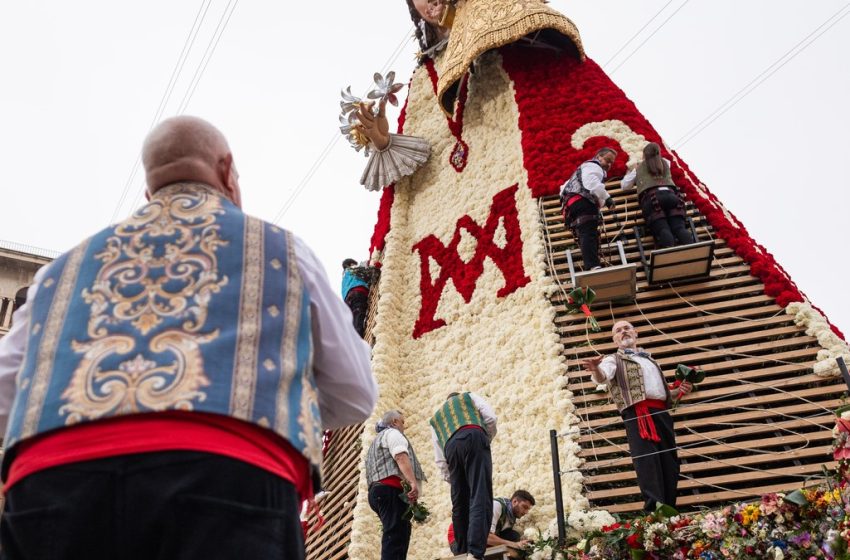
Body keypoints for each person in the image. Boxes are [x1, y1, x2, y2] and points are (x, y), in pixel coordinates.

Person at [0, 116, 378, 560]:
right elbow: (355, 391)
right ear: (226, 172)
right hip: (228, 478)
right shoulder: (283, 251)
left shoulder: (55, 274)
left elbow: (6, 397)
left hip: (53, 487)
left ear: (149, 191)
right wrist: (271, 400)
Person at [582, 321, 692, 512]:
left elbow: (659, 392)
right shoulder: (613, 359)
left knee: (670, 462)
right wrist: (596, 369)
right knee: (647, 463)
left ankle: (669, 509)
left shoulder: (650, 359)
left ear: (636, 333)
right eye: (618, 330)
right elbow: (603, 377)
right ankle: (654, 511)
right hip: (638, 415)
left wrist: (678, 391)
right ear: (615, 339)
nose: (623, 332)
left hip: (662, 414)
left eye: (627, 328)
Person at [430, 391, 497, 560]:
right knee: (480, 494)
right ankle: (474, 552)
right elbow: (490, 418)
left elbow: (439, 457)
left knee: (459, 502)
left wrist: (452, 479)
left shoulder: (436, 418)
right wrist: (485, 439)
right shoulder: (469, 397)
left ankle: (461, 551)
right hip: (474, 436)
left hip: (451, 449)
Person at [365, 410, 428, 560]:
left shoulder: (375, 443)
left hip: (377, 493)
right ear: (394, 422)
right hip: (390, 490)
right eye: (402, 422)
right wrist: (412, 482)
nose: (403, 426)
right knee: (395, 536)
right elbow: (400, 456)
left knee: (397, 534)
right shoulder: (392, 434)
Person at [621, 142, 695, 249]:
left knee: (663, 229)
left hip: (652, 198)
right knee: (679, 228)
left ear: (644, 155)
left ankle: (670, 253)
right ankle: (693, 250)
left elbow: (624, 186)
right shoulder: (666, 162)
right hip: (672, 196)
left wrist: (632, 170)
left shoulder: (638, 168)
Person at [560, 148, 618, 270]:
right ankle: (593, 266)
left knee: (586, 233)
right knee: (589, 233)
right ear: (598, 156)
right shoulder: (594, 166)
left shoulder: (582, 169)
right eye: (607, 160)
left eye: (611, 162)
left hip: (572, 205)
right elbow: (591, 184)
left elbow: (563, 188)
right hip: (583, 202)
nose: (609, 164)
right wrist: (607, 199)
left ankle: (592, 265)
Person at [341, 258, 371, 337]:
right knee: (359, 316)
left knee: (354, 321)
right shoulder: (352, 269)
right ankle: (359, 339)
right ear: (351, 264)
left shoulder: (344, 278)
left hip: (348, 300)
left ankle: (355, 341)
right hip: (358, 292)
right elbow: (365, 266)